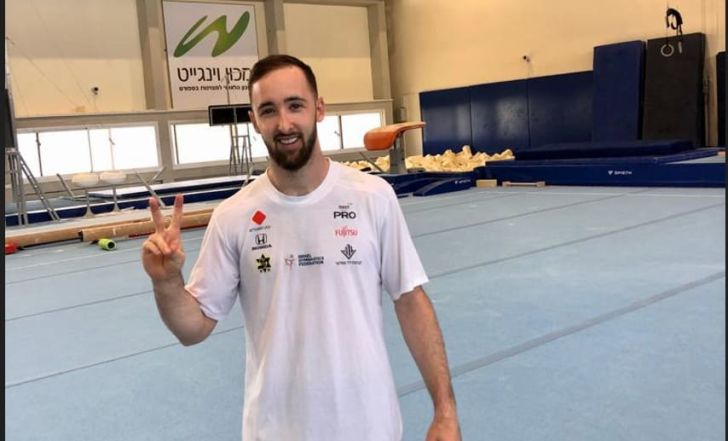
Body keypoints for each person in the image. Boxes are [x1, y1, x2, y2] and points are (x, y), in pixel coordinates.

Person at [142, 54, 461, 441]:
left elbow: (410, 299)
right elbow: (193, 328)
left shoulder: (372, 197)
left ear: (319, 109)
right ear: (254, 120)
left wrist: (445, 410)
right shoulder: (234, 216)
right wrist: (166, 283)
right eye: (269, 110)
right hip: (275, 430)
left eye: (295, 105)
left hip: (368, 427)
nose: (284, 123)